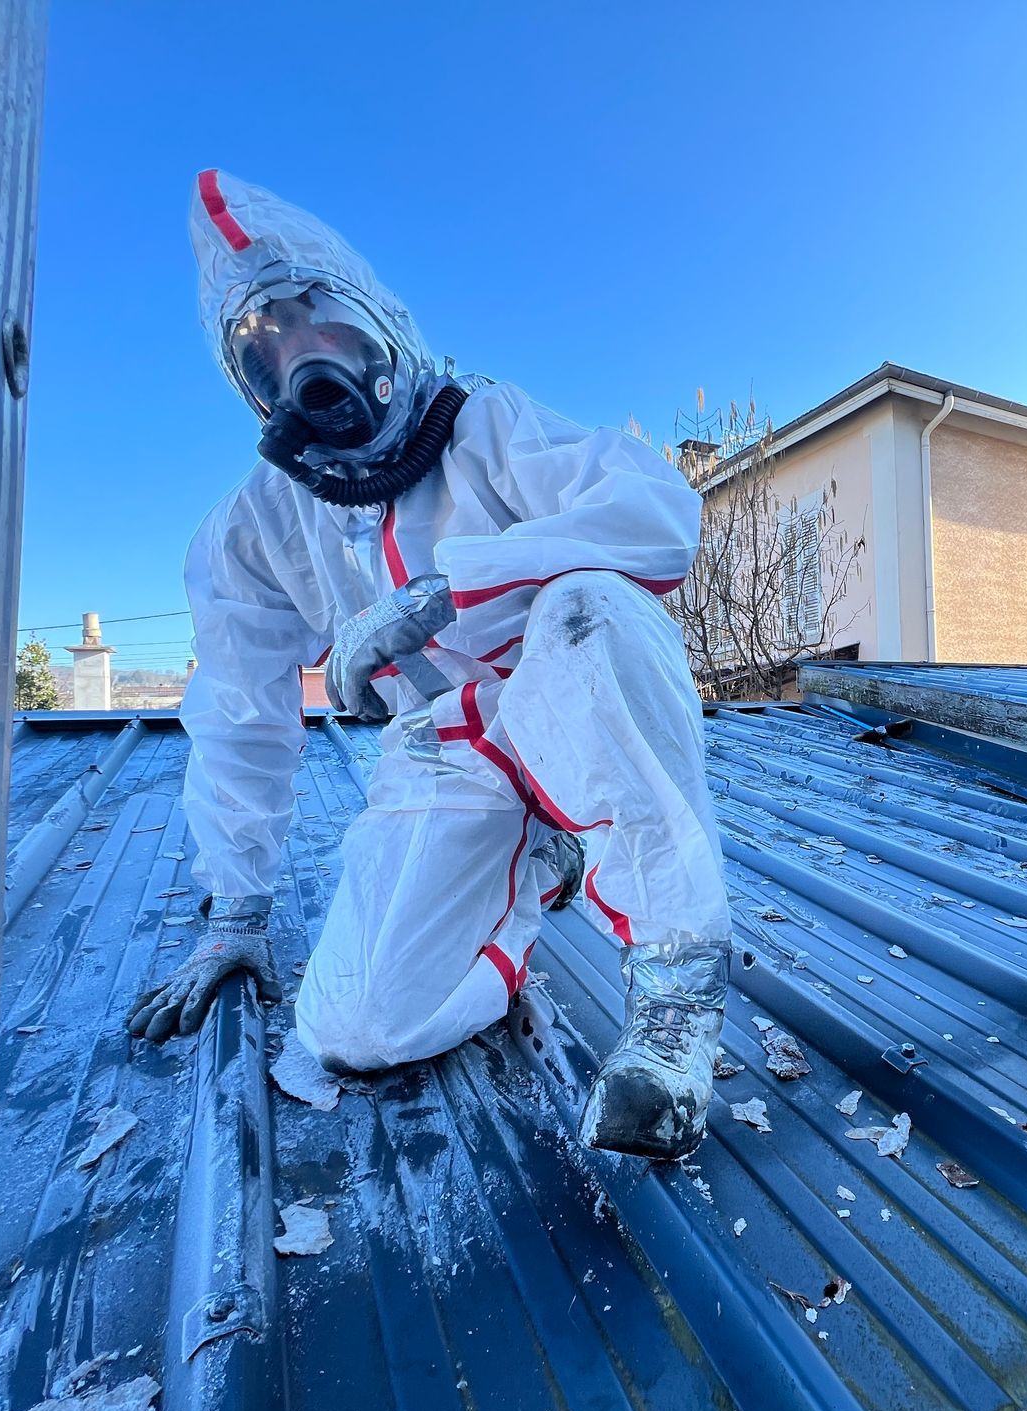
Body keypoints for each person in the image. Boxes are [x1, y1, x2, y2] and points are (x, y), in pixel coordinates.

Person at [124, 170, 731, 1161]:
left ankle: (675, 1002)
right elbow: (241, 710)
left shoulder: (489, 425)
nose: (308, 371)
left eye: (326, 331)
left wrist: (445, 591)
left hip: (562, 703)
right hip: (446, 750)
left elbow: (658, 516)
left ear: (384, 329)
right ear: (254, 391)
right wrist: (236, 910)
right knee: (358, 1029)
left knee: (592, 603)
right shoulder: (257, 528)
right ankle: (536, 864)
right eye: (270, 356)